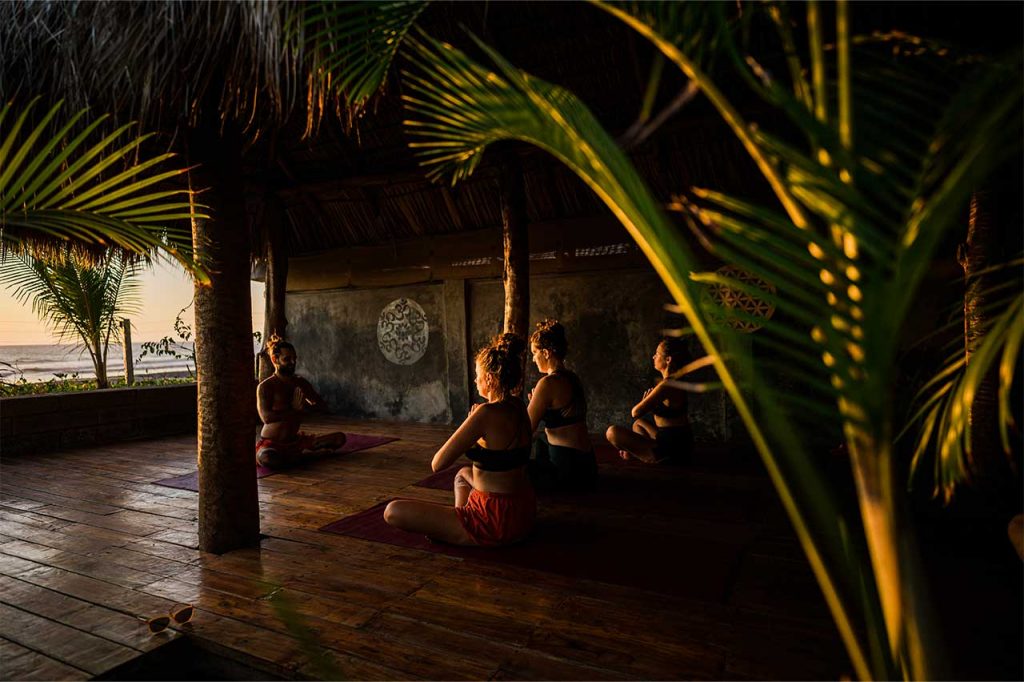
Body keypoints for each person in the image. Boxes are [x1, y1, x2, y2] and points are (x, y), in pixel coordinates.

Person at [383, 343, 535, 546]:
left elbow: (438, 463)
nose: (475, 379)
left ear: (489, 378)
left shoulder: (486, 413)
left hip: (494, 519)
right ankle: (458, 521)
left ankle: (462, 532)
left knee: (392, 511)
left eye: (477, 374)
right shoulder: (519, 406)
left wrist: (470, 422)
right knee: (462, 474)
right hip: (523, 511)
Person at [526, 319, 597, 489]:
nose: (534, 359)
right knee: (541, 441)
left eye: (535, 353)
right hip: (587, 464)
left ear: (546, 353)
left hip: (567, 468)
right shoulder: (572, 377)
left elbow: (526, 428)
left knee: (507, 471)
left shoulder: (548, 383)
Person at [256, 335, 346, 469]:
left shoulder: (300, 383)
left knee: (340, 438)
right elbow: (266, 418)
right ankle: (307, 456)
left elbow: (322, 407)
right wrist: (294, 410)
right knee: (268, 458)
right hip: (272, 443)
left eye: (294, 359)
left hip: (295, 441)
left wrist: (305, 407)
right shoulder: (266, 386)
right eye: (287, 359)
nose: (292, 362)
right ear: (275, 360)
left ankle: (298, 455)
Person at [605, 338, 693, 464]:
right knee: (638, 424)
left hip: (673, 448)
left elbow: (635, 412)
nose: (653, 357)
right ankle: (641, 452)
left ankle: (649, 457)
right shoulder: (673, 381)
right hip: (675, 440)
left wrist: (646, 401)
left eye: (657, 354)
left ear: (668, 360)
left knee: (612, 432)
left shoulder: (667, 384)